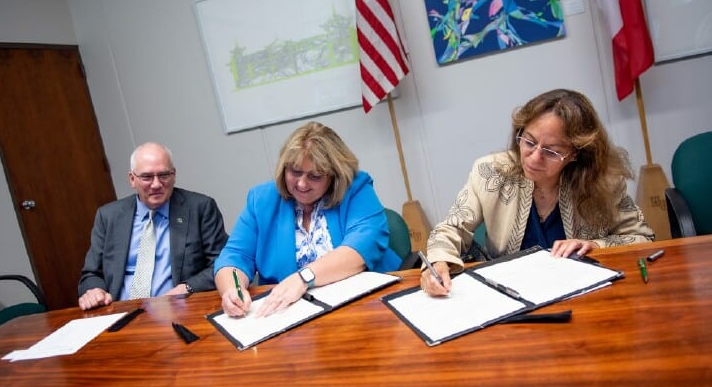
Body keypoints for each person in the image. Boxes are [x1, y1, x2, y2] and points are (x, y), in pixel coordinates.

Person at [421, 88, 654, 296]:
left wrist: (596, 246)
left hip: (585, 294)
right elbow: (451, 229)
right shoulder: (489, 172)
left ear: (576, 154)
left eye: (552, 152)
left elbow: (642, 238)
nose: (534, 158)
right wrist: (439, 261)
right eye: (529, 142)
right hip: (512, 296)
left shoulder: (604, 181)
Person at [214, 121, 401, 317]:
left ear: (333, 175)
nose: (302, 183)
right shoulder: (261, 200)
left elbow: (362, 246)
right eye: (295, 172)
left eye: (315, 176)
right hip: (291, 318)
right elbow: (235, 256)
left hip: (366, 308)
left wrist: (304, 278)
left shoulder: (355, 189)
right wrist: (231, 290)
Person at [78, 142, 229, 310]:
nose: (156, 184)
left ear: (174, 175)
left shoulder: (199, 208)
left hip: (178, 309)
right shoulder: (108, 216)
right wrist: (94, 290)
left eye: (164, 175)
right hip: (119, 313)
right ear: (132, 179)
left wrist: (187, 288)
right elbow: (91, 273)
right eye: (147, 177)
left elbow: (223, 263)